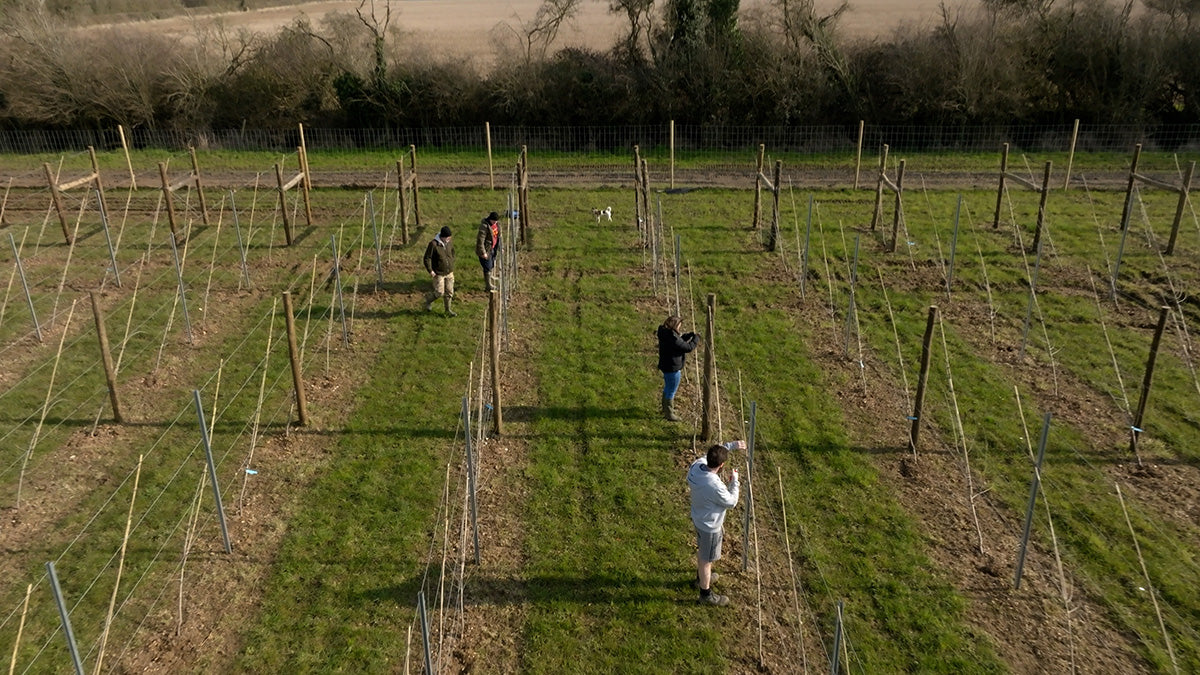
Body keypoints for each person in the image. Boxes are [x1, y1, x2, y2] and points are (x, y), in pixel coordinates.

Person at [687, 440, 745, 606]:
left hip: (698, 518)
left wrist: (731, 446)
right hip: (710, 526)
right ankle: (705, 594)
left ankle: (701, 577)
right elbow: (731, 502)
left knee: (702, 551)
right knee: (706, 560)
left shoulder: (696, 466)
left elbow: (711, 454)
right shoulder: (714, 485)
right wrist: (735, 481)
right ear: (722, 465)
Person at [656, 316, 699, 421]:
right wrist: (696, 339)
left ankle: (665, 409)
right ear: (675, 325)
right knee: (671, 390)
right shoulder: (673, 338)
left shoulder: (665, 333)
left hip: (666, 366)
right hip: (672, 368)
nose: (680, 327)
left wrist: (686, 336)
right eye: (679, 325)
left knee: (667, 387)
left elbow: (678, 343)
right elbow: (688, 348)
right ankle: (669, 414)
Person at [423, 225, 456, 316]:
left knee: (449, 292)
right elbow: (427, 258)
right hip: (439, 273)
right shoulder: (433, 244)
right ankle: (428, 300)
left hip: (449, 272)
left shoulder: (449, 242)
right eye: (448, 238)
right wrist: (430, 270)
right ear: (443, 237)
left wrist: (452, 261)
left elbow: (452, 252)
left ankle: (448, 310)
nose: (449, 240)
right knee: (439, 292)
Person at [476, 211, 501, 291]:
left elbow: (498, 236)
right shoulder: (484, 226)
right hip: (487, 249)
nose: (495, 222)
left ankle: (490, 278)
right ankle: (488, 285)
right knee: (487, 267)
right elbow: (480, 240)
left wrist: (500, 247)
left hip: (493, 248)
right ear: (490, 219)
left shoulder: (496, 224)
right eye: (494, 221)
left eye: (496, 221)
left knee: (492, 264)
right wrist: (483, 252)